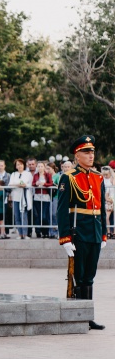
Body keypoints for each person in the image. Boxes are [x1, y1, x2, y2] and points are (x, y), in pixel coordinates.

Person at [57, 135, 107, 330]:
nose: (91, 155)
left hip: (94, 232)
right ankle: (77, 316)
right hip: (79, 233)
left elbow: (101, 208)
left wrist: (103, 233)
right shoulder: (68, 177)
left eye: (92, 151)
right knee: (79, 275)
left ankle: (87, 316)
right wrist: (65, 238)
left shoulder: (98, 177)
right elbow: (62, 210)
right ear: (77, 155)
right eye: (86, 152)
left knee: (89, 276)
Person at [8, 159, 33, 240]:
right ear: (16, 166)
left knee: (24, 216)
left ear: (24, 165)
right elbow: (10, 184)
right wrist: (18, 184)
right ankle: (20, 233)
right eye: (18, 164)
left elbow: (29, 184)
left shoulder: (28, 174)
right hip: (15, 197)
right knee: (17, 216)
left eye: (21, 164)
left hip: (24, 197)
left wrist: (22, 185)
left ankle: (25, 234)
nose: (19, 166)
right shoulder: (13, 174)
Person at [32, 161, 53, 238]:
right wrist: (36, 184)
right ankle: (38, 231)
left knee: (44, 215)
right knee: (38, 215)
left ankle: (45, 231)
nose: (40, 168)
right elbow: (33, 184)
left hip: (45, 197)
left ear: (44, 167)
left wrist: (44, 184)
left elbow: (51, 183)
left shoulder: (48, 175)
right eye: (39, 166)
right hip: (37, 196)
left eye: (41, 166)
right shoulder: (35, 175)